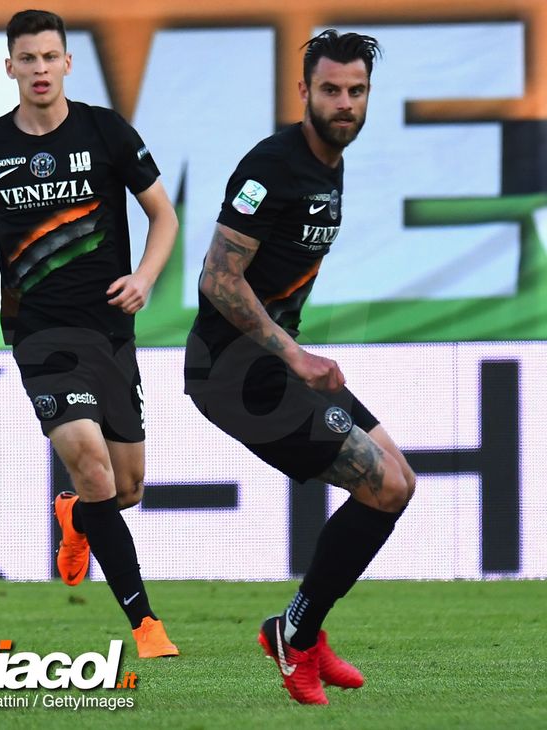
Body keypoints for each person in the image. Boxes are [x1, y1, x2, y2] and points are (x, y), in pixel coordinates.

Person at [184, 30, 416, 704]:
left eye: (356, 92)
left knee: (399, 481)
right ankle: (297, 636)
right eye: (331, 90)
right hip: (234, 377)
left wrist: (292, 353)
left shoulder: (330, 162)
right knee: (385, 489)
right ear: (304, 92)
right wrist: (294, 353)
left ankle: (298, 632)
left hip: (275, 370)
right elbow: (217, 278)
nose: (344, 104)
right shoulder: (273, 166)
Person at [0, 9, 180, 658]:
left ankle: (76, 517)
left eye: (50, 57)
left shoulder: (106, 131)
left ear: (67, 63)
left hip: (110, 332)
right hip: (39, 334)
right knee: (89, 460)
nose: (40, 70)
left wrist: (145, 277)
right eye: (28, 59)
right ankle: (145, 625)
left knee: (125, 488)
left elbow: (162, 215)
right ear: (10, 68)